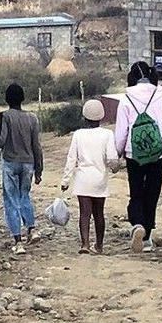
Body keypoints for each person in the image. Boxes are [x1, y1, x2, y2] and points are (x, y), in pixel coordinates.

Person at [114, 61, 162, 253]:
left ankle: (137, 224)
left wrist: (119, 151)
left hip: (134, 152)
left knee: (136, 191)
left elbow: (121, 130)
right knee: (152, 191)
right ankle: (147, 235)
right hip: (158, 152)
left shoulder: (126, 98)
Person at [0, 83, 43, 254]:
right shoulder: (32, 118)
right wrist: (39, 170)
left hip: (11, 162)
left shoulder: (5, 116)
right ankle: (31, 229)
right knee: (24, 195)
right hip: (28, 163)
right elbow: (37, 146)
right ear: (23, 98)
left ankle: (17, 240)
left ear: (6, 99)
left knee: (11, 200)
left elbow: (1, 140)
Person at [61, 100, 119, 255]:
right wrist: (115, 168)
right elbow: (112, 159)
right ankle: (99, 245)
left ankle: (85, 244)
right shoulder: (107, 134)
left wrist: (65, 180)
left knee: (84, 213)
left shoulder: (78, 135)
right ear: (101, 117)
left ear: (84, 117)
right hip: (100, 180)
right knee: (99, 213)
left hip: (83, 180)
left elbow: (71, 159)